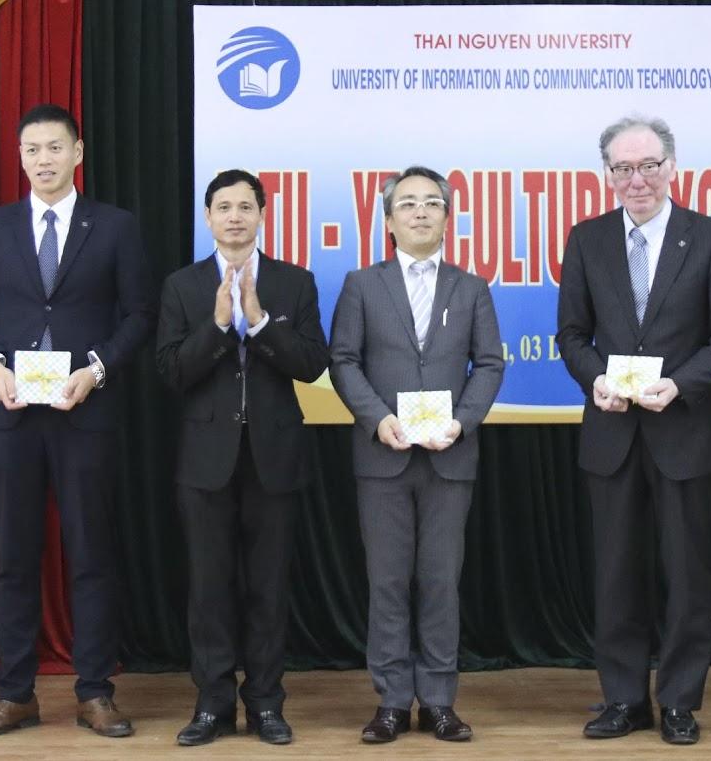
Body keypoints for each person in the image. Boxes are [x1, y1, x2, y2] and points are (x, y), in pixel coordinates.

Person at [0, 104, 155, 738]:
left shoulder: (114, 226)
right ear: (20, 157)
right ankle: (15, 693)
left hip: (83, 409)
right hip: (10, 412)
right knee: (13, 558)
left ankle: (95, 692)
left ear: (78, 153)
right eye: (32, 149)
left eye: (55, 147)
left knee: (91, 554)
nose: (44, 159)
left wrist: (96, 369)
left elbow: (139, 315)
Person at [557, 116, 711, 746]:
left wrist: (681, 384)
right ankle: (623, 699)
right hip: (612, 433)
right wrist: (595, 380)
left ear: (671, 167)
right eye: (623, 168)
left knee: (688, 576)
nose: (635, 179)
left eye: (647, 166)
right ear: (606, 174)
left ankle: (679, 702)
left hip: (684, 430)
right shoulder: (586, 239)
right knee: (616, 575)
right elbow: (572, 335)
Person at [329, 166, 504, 745]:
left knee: (440, 582)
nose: (421, 211)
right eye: (407, 203)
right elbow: (344, 360)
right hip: (384, 457)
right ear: (388, 221)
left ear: (448, 217)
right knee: (386, 583)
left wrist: (462, 421)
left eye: (432, 202)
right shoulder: (362, 284)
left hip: (449, 458)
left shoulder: (471, 287)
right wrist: (377, 419)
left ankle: (438, 702)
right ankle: (391, 701)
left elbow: (490, 364)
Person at [156, 170, 330, 747]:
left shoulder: (294, 282)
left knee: (268, 589)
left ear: (261, 215)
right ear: (207, 216)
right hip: (205, 459)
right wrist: (216, 325)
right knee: (208, 590)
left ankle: (265, 704)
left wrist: (257, 323)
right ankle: (211, 705)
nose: (234, 216)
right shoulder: (182, 285)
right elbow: (172, 371)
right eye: (224, 207)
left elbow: (312, 363)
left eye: (245, 207)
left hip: (273, 455)